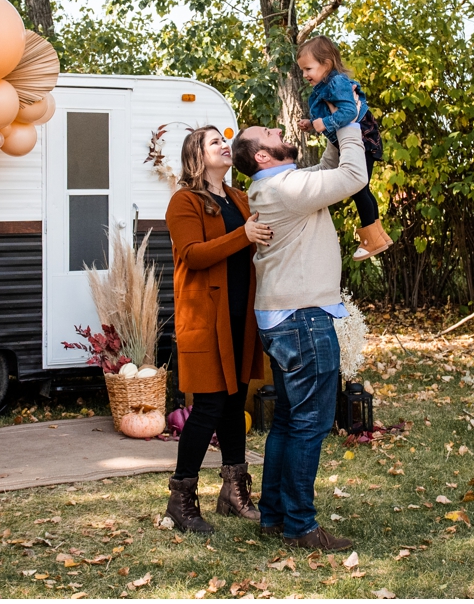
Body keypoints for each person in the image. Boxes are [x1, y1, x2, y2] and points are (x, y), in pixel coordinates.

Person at [230, 108, 368, 553]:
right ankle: (300, 527)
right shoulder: (286, 188)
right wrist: (350, 120)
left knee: (288, 422)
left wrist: (329, 134)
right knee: (310, 423)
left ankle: (274, 516)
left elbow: (327, 172)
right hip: (304, 320)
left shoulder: (274, 186)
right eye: (268, 133)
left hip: (282, 319)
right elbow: (351, 176)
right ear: (264, 156)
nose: (277, 129)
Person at [164, 126, 274, 533]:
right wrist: (242, 235)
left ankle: (233, 491)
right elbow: (193, 256)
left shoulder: (238, 198)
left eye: (224, 141)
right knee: (208, 406)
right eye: (214, 142)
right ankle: (181, 499)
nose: (224, 146)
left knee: (233, 403)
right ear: (196, 155)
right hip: (205, 318)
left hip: (240, 314)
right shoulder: (184, 201)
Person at [296, 36, 390, 260]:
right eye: (302, 70)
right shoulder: (322, 87)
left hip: (363, 139)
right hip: (354, 140)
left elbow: (348, 113)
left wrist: (325, 124)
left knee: (357, 186)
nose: (305, 75)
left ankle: (370, 240)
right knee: (362, 187)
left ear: (326, 64)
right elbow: (331, 115)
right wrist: (312, 125)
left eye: (308, 68)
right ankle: (378, 236)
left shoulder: (336, 83)